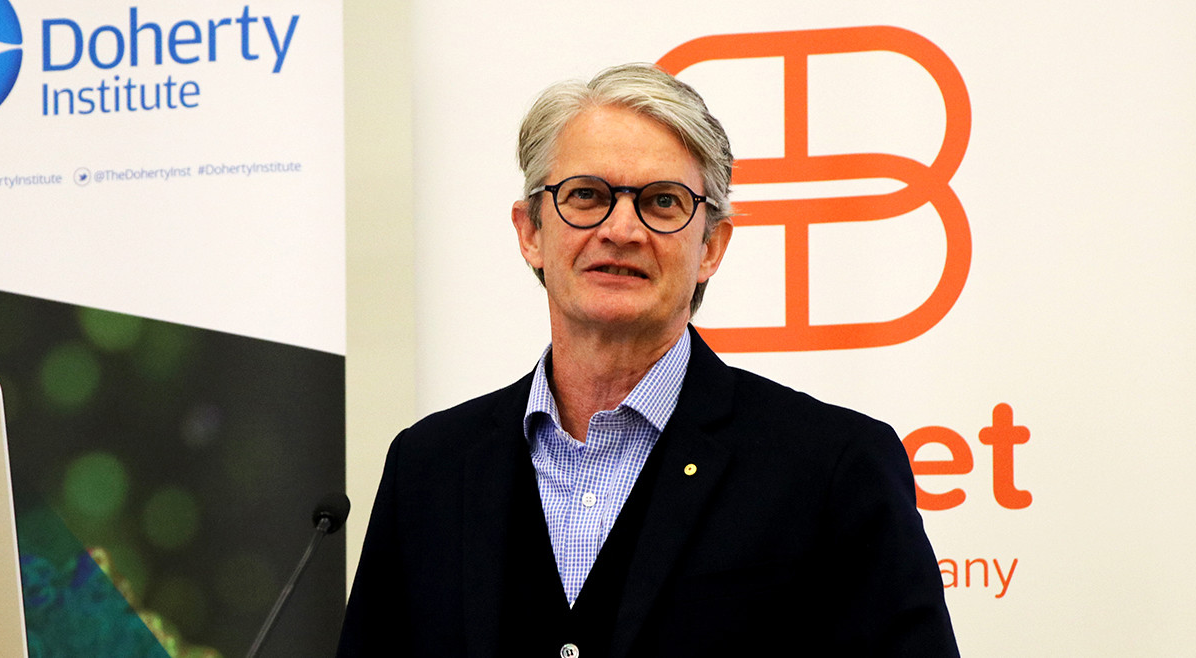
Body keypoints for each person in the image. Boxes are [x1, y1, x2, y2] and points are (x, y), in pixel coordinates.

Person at [337, 63, 959, 657]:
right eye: (586, 195)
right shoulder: (428, 468)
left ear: (711, 246)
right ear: (531, 233)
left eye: (662, 202)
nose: (622, 230)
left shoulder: (834, 467)